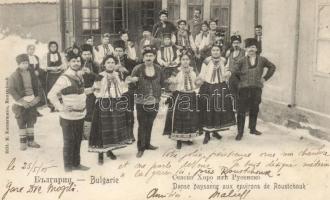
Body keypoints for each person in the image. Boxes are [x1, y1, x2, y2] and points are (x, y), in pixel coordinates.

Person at [48, 50, 90, 172]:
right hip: (68, 117)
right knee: (69, 142)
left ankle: (76, 164)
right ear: (68, 62)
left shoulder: (80, 75)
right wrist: (61, 107)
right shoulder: (64, 78)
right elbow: (51, 95)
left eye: (78, 61)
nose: (76, 63)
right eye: (73, 61)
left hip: (80, 115)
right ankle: (68, 167)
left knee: (78, 141)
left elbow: (79, 91)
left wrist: (91, 90)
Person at [230, 38, 276, 141]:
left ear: (256, 49)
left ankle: (252, 128)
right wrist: (240, 83)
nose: (251, 49)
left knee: (254, 108)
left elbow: (272, 67)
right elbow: (234, 72)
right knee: (241, 111)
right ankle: (240, 132)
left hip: (256, 88)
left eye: (253, 47)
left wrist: (265, 78)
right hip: (244, 89)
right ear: (246, 49)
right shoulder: (241, 60)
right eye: (249, 47)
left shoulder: (262, 59)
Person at [89, 55, 131, 165]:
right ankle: (100, 154)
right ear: (104, 64)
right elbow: (96, 92)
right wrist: (103, 94)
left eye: (113, 62)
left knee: (113, 127)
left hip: (116, 102)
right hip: (104, 103)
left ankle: (109, 151)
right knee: (102, 129)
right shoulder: (100, 76)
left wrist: (126, 82)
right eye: (108, 62)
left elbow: (122, 89)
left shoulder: (118, 75)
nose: (111, 64)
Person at [129, 45, 165, 158]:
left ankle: (148, 144)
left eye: (151, 55)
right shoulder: (137, 68)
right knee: (142, 124)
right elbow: (131, 85)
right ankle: (140, 148)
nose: (148, 57)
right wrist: (133, 82)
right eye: (146, 56)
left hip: (154, 100)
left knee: (150, 123)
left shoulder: (159, 69)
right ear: (143, 57)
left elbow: (162, 83)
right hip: (141, 101)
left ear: (154, 57)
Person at [198, 44, 236, 144]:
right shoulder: (206, 61)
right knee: (208, 109)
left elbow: (227, 69)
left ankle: (215, 131)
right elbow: (202, 73)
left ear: (220, 51)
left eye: (217, 50)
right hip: (208, 86)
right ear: (211, 52)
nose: (215, 52)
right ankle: (207, 134)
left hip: (220, 86)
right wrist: (199, 81)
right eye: (213, 50)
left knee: (218, 109)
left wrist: (228, 73)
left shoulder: (223, 60)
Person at [163, 52, 201, 149]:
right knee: (179, 117)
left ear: (190, 61)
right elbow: (170, 84)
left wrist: (199, 82)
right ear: (180, 61)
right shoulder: (177, 71)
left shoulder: (193, 71)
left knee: (190, 117)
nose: (185, 61)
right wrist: (172, 82)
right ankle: (178, 140)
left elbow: (197, 82)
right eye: (183, 59)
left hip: (191, 95)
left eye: (187, 59)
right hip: (180, 95)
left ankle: (188, 137)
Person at [8, 54, 43, 150]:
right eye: (23, 63)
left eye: (26, 63)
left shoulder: (32, 74)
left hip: (32, 100)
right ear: (18, 64)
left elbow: (39, 87)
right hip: (20, 103)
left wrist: (37, 98)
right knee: (21, 121)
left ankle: (31, 141)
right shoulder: (13, 76)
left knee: (31, 120)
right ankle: (23, 142)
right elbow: (11, 89)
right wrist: (21, 101)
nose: (25, 65)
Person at [112, 40, 137, 143]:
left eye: (120, 51)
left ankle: (130, 134)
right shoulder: (109, 61)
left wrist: (126, 71)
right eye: (116, 51)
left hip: (128, 90)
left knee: (129, 112)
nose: (118, 53)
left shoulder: (130, 62)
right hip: (115, 91)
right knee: (117, 113)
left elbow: (135, 75)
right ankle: (119, 136)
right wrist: (114, 69)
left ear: (124, 51)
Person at [80, 44, 100, 140]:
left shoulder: (95, 64)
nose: (87, 56)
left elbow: (99, 77)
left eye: (89, 54)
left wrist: (90, 73)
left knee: (90, 111)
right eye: (85, 54)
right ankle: (79, 132)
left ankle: (87, 134)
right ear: (81, 55)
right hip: (79, 92)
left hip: (91, 91)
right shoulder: (77, 64)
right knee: (79, 111)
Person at [44, 41, 65, 112]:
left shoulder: (60, 55)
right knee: (51, 90)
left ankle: (59, 106)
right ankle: (52, 106)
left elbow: (64, 64)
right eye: (52, 46)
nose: (53, 48)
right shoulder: (46, 55)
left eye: (55, 46)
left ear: (57, 47)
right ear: (49, 47)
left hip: (59, 74)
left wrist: (59, 67)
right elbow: (43, 66)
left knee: (59, 89)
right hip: (50, 75)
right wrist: (51, 68)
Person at [26, 44, 47, 116]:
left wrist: (38, 71)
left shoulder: (36, 57)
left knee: (38, 92)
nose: (31, 51)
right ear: (27, 50)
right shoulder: (25, 58)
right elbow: (25, 68)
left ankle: (36, 110)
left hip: (36, 78)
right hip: (28, 77)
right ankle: (30, 111)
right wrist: (33, 72)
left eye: (33, 49)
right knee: (31, 94)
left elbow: (39, 67)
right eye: (30, 49)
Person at [225, 34, 245, 101]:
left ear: (240, 43)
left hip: (241, 77)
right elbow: (227, 65)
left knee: (241, 94)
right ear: (232, 44)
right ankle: (235, 109)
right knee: (232, 94)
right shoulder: (230, 53)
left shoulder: (244, 52)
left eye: (238, 43)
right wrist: (226, 73)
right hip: (231, 77)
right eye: (234, 43)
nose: (236, 44)